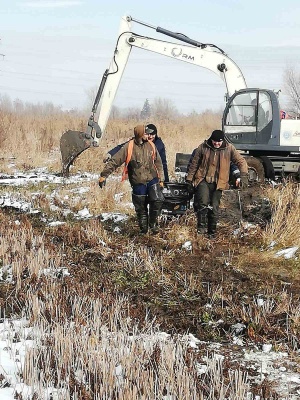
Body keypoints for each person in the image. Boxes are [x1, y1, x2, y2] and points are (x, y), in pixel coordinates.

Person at [98, 125, 165, 235]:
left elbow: (159, 163)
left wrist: (161, 179)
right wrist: (103, 175)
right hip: (138, 181)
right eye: (145, 133)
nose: (148, 135)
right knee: (141, 207)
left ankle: (153, 224)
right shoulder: (128, 147)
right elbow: (115, 161)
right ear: (140, 135)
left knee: (158, 200)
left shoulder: (151, 145)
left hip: (152, 178)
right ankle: (144, 230)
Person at [185, 129, 248, 238]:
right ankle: (201, 229)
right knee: (203, 203)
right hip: (203, 179)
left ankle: (211, 233)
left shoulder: (229, 149)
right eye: (215, 141)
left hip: (219, 182)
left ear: (222, 140)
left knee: (214, 207)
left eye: (219, 141)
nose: (217, 144)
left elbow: (241, 161)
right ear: (211, 140)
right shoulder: (203, 147)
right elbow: (194, 164)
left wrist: (243, 176)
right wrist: (189, 180)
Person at [104, 123, 169, 182]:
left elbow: (161, 164)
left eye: (153, 135)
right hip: (138, 178)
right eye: (148, 134)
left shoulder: (158, 144)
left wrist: (165, 180)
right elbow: (122, 148)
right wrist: (111, 154)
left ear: (156, 135)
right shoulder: (137, 142)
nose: (150, 136)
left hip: (153, 176)